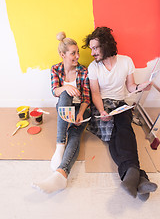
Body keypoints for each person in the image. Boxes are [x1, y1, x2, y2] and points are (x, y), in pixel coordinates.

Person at [82, 26, 158, 201]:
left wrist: (141, 87)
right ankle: (139, 176)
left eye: (95, 48)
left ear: (106, 45)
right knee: (115, 133)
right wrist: (101, 111)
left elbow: (131, 87)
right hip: (101, 106)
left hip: (121, 105)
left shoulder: (126, 61)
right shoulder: (94, 67)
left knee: (124, 128)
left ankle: (131, 176)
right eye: (91, 48)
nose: (92, 52)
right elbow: (95, 93)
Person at [32, 32, 90, 193]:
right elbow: (54, 91)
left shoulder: (83, 71)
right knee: (64, 94)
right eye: (73, 53)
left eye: (77, 52)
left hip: (80, 110)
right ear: (62, 55)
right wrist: (66, 87)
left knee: (75, 134)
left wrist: (80, 114)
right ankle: (60, 144)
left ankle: (61, 175)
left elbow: (86, 98)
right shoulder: (56, 69)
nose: (77, 56)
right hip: (64, 108)